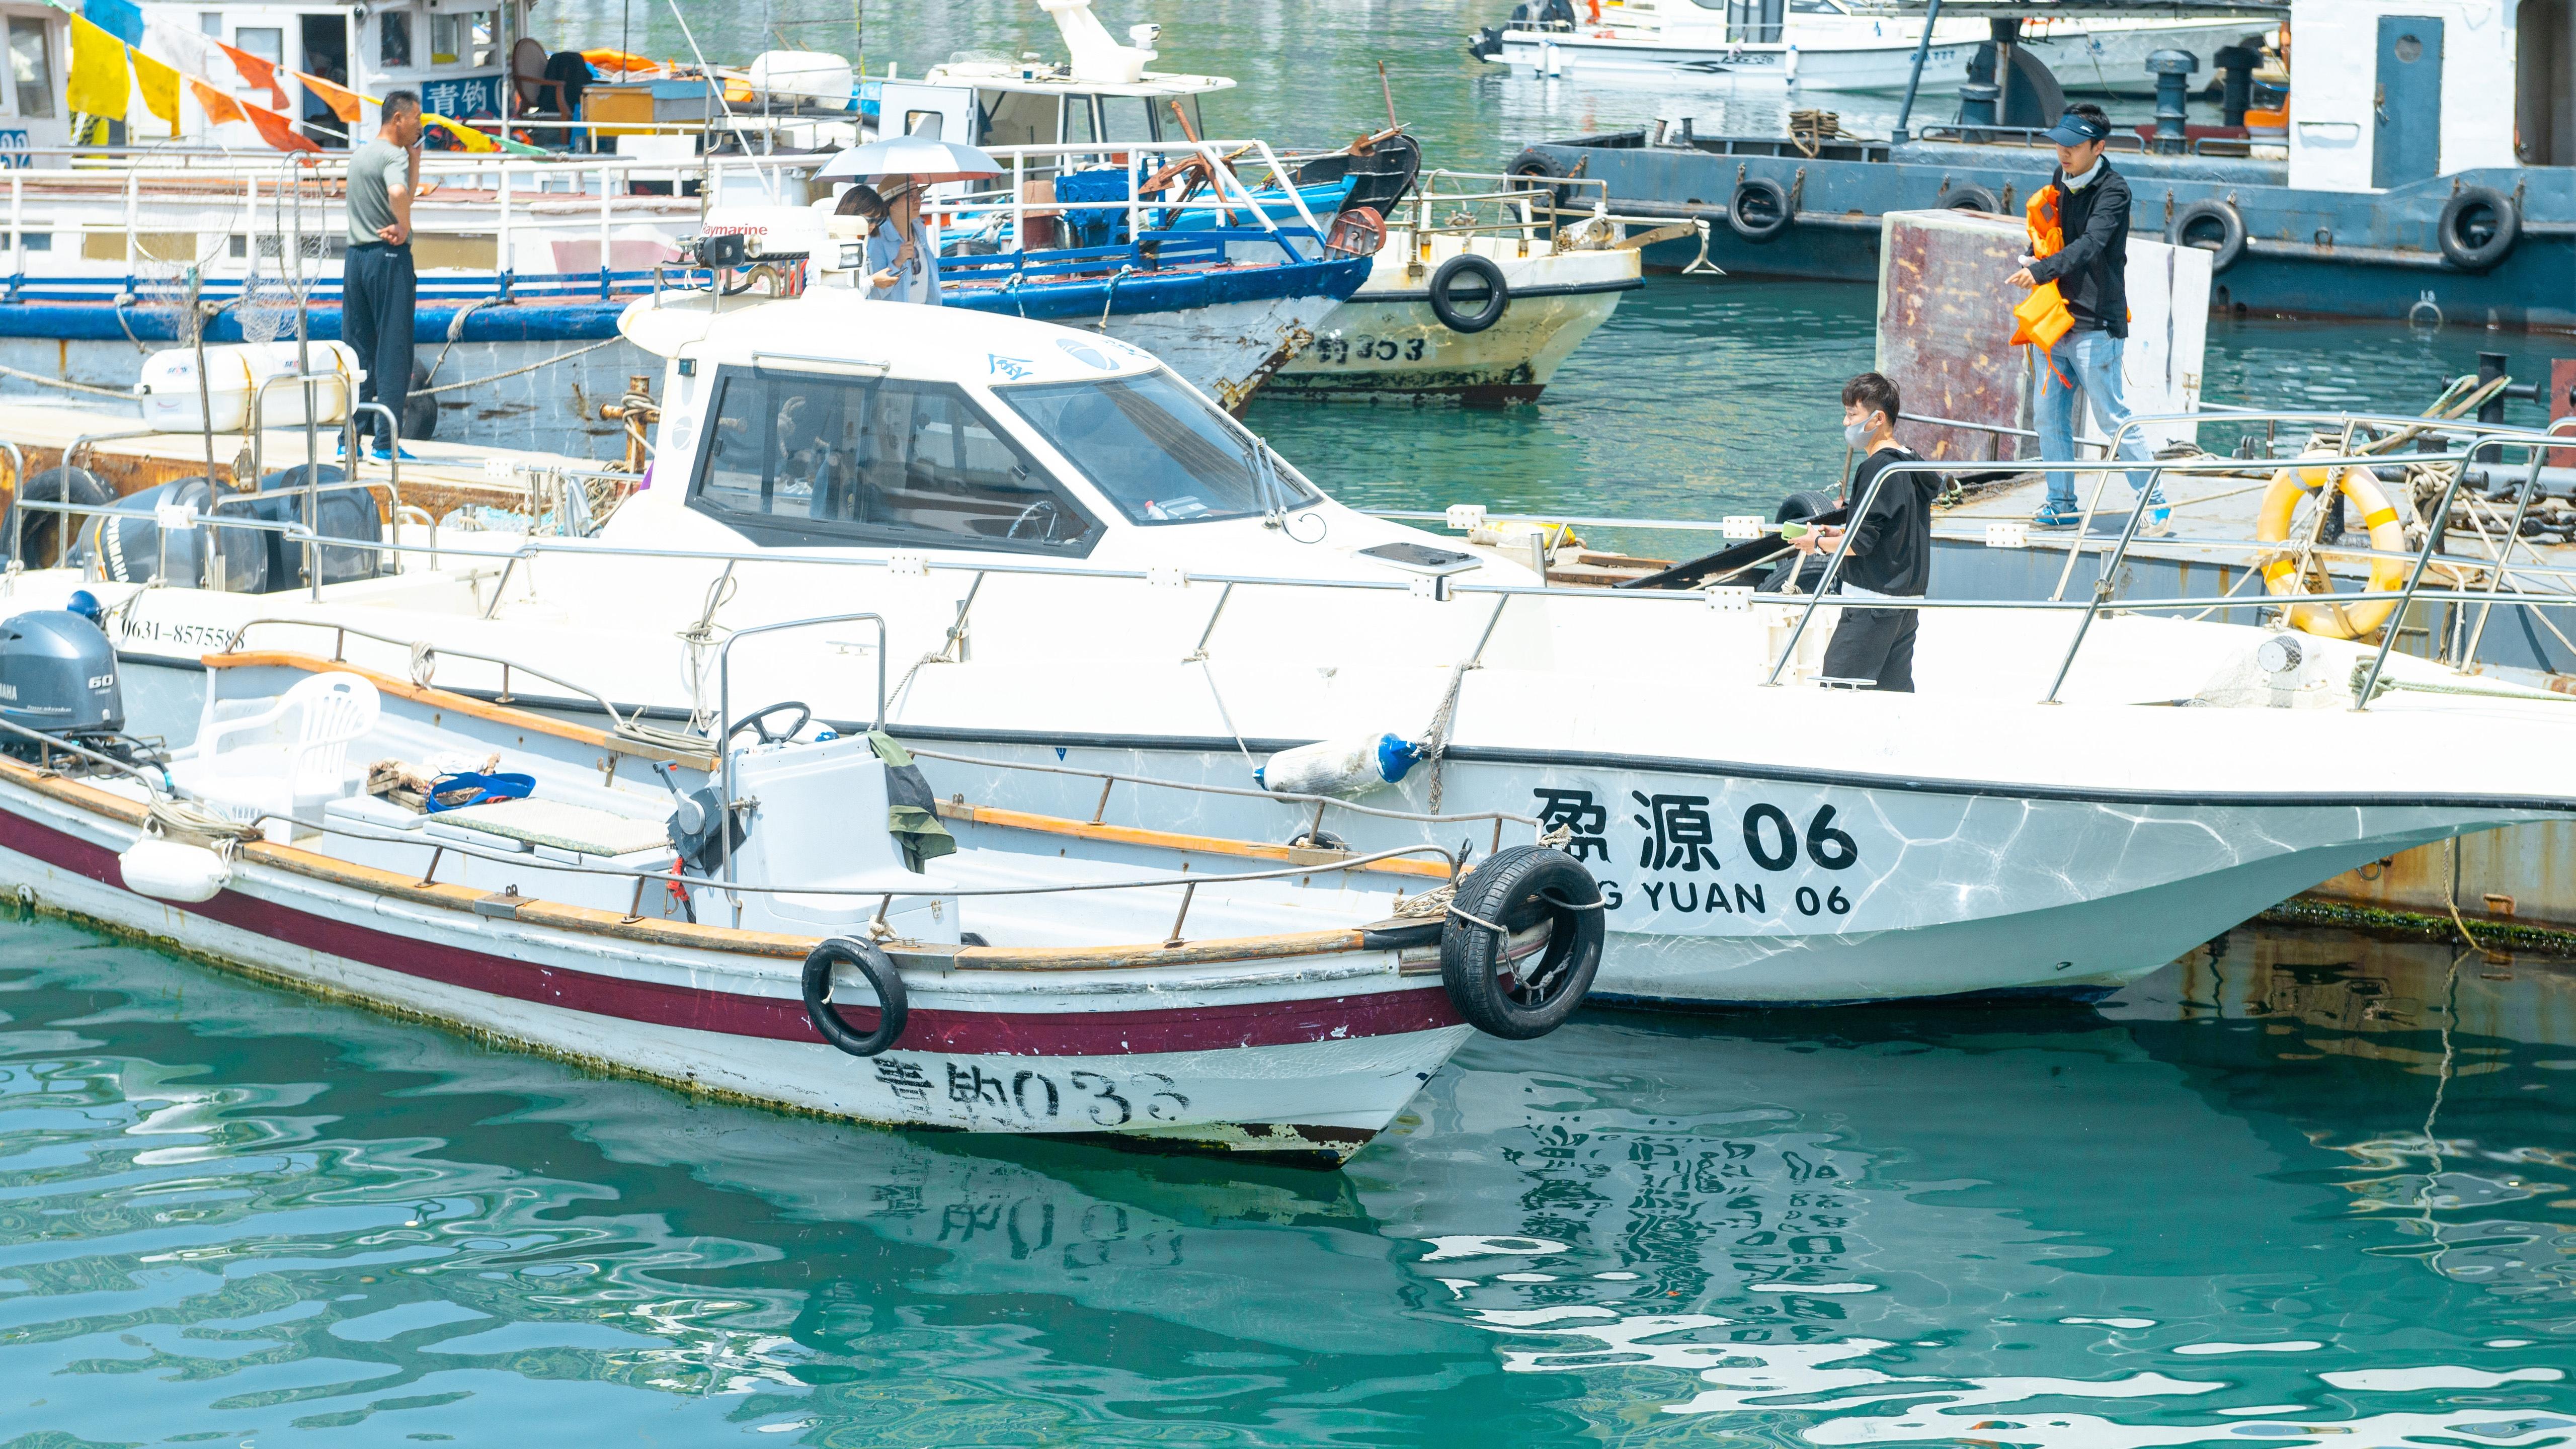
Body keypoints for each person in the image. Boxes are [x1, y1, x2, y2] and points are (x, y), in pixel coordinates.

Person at [2006, 103, 2165, 533]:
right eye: (2061, 144)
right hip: (2056, 320)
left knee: (2111, 415)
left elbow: (2091, 245)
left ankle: (2155, 502)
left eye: (2075, 146)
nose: (2064, 153)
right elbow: (2057, 234)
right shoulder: (2061, 178)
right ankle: (2060, 503)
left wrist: (2040, 270)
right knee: (2047, 416)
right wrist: (2035, 253)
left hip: (2097, 324)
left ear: (2099, 147)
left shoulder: (2115, 191)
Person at [1790, 373, 1933, 693]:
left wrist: (1817, 543)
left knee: (1840, 688)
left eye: (1852, 414)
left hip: (1872, 600)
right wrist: (1839, 530)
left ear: (1877, 418)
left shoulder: (1876, 468)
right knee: (1892, 692)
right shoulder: (1911, 464)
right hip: (1905, 602)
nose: (1846, 422)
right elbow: (1890, 530)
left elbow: (1861, 544)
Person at [344, 90, 423, 461]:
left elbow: (401, 187)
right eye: (416, 119)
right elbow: (396, 190)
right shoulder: (392, 155)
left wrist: (416, 161)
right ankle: (385, 444)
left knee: (358, 352)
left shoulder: (361, 154)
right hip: (388, 258)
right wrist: (404, 226)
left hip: (356, 259)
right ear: (399, 120)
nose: (419, 126)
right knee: (394, 349)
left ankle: (349, 441)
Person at [836, 181, 942, 305]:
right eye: (909, 196)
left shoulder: (919, 228)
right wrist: (894, 265)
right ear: (891, 204)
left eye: (919, 194)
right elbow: (854, 295)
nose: (918, 200)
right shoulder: (874, 240)